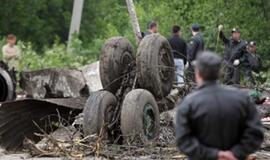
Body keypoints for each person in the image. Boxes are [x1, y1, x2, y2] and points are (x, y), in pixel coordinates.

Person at [175, 51, 264, 160]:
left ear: (198, 72)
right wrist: (235, 153)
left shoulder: (188, 103)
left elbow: (183, 141)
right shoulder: (242, 98)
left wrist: (214, 155)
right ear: (219, 72)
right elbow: (256, 133)